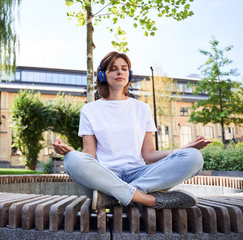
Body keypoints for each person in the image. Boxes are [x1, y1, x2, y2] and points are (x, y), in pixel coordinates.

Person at [52, 51, 212, 210]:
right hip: (105, 175)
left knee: (194, 157)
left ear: (129, 73)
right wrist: (72, 152)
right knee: (72, 160)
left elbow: (149, 154)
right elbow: (89, 156)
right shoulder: (89, 110)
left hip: (139, 174)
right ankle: (148, 200)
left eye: (124, 68)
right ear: (102, 75)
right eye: (113, 68)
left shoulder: (142, 108)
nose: (120, 72)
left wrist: (182, 150)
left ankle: (113, 195)